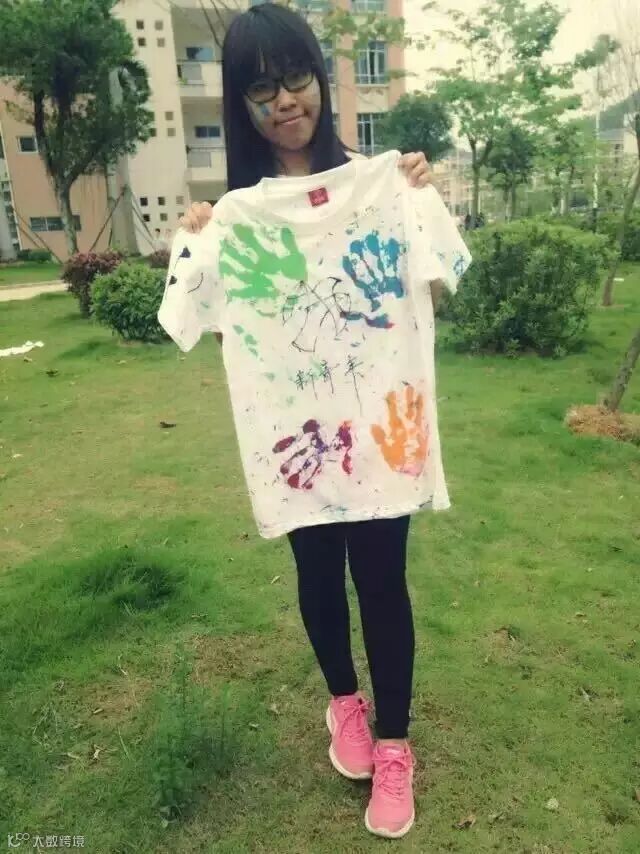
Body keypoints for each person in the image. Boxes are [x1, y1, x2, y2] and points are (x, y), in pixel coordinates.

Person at [157, 3, 471, 840]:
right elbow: (189, 320)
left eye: (295, 78)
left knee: (383, 582)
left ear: (320, 81)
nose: (284, 101)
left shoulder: (383, 185)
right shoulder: (235, 216)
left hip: (381, 431)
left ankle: (395, 746)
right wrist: (193, 242)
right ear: (242, 104)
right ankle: (345, 704)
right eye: (261, 89)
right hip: (298, 442)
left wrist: (420, 194)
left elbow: (444, 277)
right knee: (318, 575)